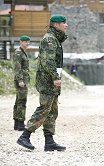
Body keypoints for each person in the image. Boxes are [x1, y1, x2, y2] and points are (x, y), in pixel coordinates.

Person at [17, 15, 68, 151]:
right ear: (56, 25)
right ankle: (25, 135)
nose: (66, 25)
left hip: (51, 81)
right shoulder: (49, 39)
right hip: (47, 81)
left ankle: (49, 141)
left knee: (52, 111)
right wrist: (55, 77)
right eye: (63, 23)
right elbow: (47, 61)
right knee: (44, 109)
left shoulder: (56, 39)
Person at [13, 35, 30, 131]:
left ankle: (16, 123)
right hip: (21, 81)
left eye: (28, 41)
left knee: (18, 101)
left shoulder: (23, 52)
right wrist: (20, 80)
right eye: (25, 41)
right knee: (22, 102)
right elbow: (17, 67)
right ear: (20, 42)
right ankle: (20, 123)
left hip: (23, 80)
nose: (27, 43)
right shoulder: (19, 53)